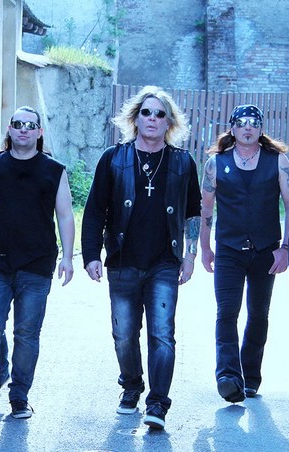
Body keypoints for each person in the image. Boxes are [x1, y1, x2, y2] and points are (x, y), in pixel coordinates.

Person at [81, 86, 201, 430]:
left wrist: (190, 255)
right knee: (124, 334)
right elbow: (95, 210)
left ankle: (158, 403)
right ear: (135, 118)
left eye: (159, 114)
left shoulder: (182, 162)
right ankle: (132, 385)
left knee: (162, 334)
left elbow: (194, 211)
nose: (152, 118)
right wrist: (91, 254)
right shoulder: (113, 158)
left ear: (169, 122)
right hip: (123, 260)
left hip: (164, 262)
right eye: (146, 112)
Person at [0, 106, 75, 419]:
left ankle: (19, 394)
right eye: (18, 124)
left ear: (39, 132)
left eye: (30, 125)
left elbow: (66, 215)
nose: (24, 129)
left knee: (26, 333)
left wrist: (68, 257)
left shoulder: (54, 170)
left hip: (37, 264)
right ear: (10, 129)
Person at [199, 104, 289, 403]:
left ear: (261, 128)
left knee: (258, 314)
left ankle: (250, 377)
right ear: (232, 128)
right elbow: (205, 208)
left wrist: (286, 249)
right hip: (229, 251)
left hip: (266, 250)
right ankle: (228, 377)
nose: (247, 127)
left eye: (254, 122)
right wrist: (205, 247)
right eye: (241, 122)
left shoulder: (277, 161)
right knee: (227, 312)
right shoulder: (216, 164)